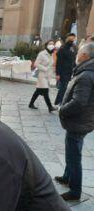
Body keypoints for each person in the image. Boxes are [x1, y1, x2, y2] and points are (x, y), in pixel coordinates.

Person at [56, 43, 94, 201]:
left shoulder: (86, 75)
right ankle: (67, 176)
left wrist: (62, 109)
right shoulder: (87, 71)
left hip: (79, 121)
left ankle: (75, 190)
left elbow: (79, 102)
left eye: (79, 52)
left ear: (85, 56)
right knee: (71, 150)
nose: (77, 54)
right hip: (82, 121)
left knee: (74, 156)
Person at [28, 40, 57, 112]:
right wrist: (45, 69)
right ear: (46, 45)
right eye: (50, 44)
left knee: (38, 91)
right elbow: (36, 64)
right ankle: (50, 107)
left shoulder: (51, 54)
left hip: (48, 76)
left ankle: (31, 104)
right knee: (45, 90)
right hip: (42, 75)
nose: (51, 45)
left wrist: (53, 73)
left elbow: (52, 65)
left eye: (53, 44)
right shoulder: (42, 54)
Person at [54, 33, 77, 106]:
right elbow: (59, 62)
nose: (72, 40)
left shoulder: (73, 48)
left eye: (73, 39)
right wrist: (57, 73)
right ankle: (59, 102)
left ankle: (59, 102)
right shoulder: (63, 48)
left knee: (65, 88)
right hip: (63, 71)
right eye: (71, 39)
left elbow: (74, 59)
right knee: (63, 87)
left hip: (70, 71)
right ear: (67, 39)